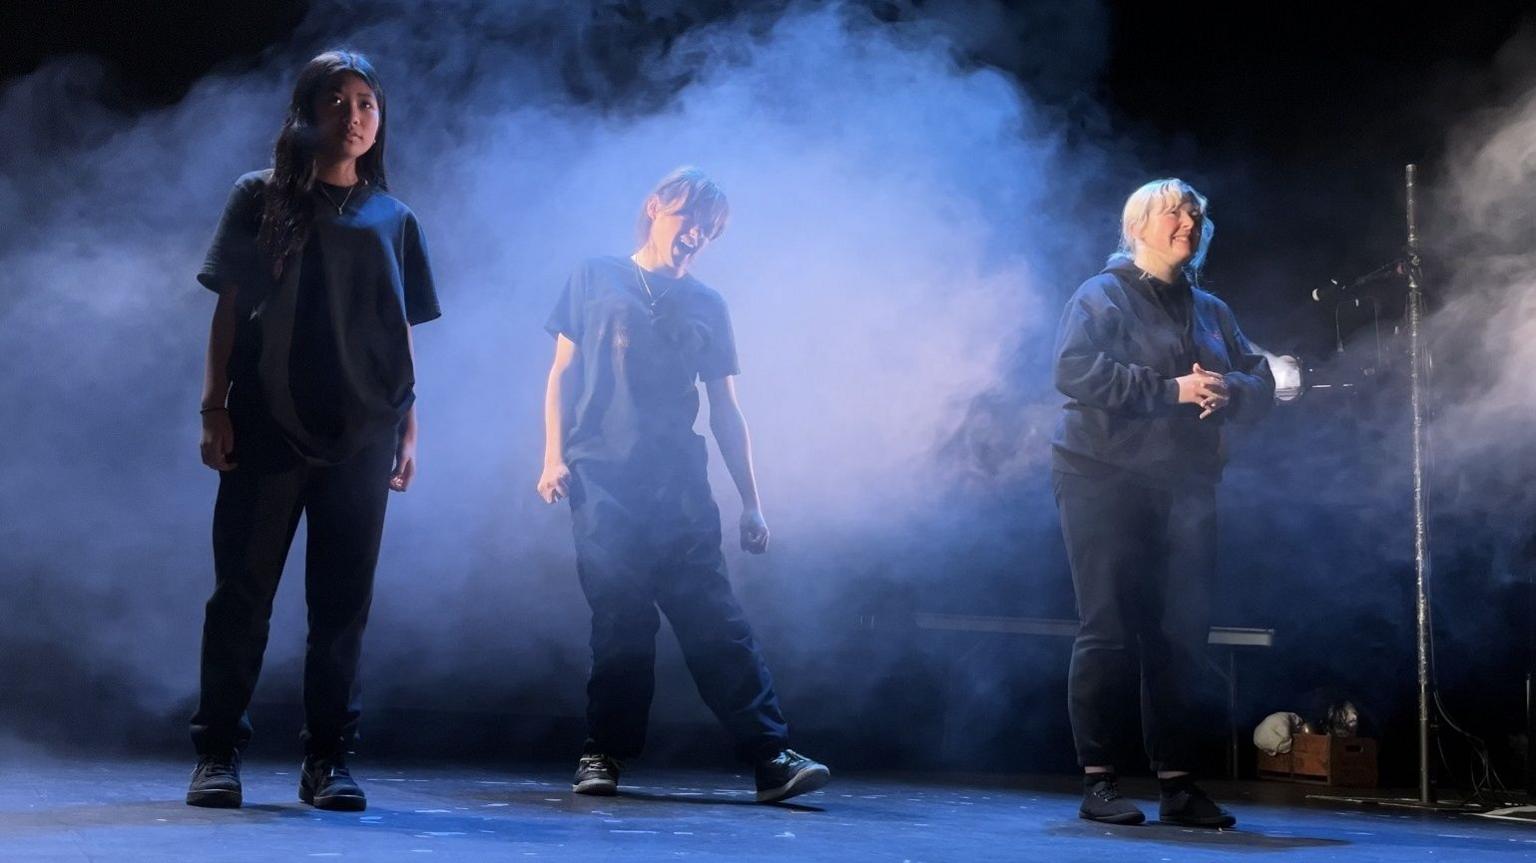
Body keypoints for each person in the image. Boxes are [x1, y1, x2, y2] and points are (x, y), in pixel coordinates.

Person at [186, 50, 440, 811]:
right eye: (338, 99)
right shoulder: (258, 197)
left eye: (368, 102)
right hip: (267, 423)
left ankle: (327, 760)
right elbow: (228, 309)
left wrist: (410, 429)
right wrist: (213, 405)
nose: (356, 115)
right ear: (307, 111)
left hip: (362, 432)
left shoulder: (395, 218)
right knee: (243, 595)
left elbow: (399, 332)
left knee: (340, 607)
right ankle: (217, 753)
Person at [538, 166, 829, 804]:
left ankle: (770, 757)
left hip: (680, 487)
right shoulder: (594, 274)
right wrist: (553, 457)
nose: (696, 233)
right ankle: (603, 752)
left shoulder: (707, 304)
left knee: (714, 619)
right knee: (621, 620)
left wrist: (752, 501)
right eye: (689, 216)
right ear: (656, 206)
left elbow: (726, 408)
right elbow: (562, 372)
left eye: (711, 227)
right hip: (603, 478)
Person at [1051, 178, 1273, 827]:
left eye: (1197, 212)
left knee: (1181, 634)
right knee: (1110, 625)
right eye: (1175, 211)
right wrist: (1168, 390)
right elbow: (1073, 370)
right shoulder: (1101, 295)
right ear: (1139, 226)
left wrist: (1230, 386)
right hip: (1101, 474)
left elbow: (1261, 378)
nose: (1189, 220)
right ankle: (1100, 781)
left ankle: (1178, 783)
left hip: (1186, 486)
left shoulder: (1213, 309)